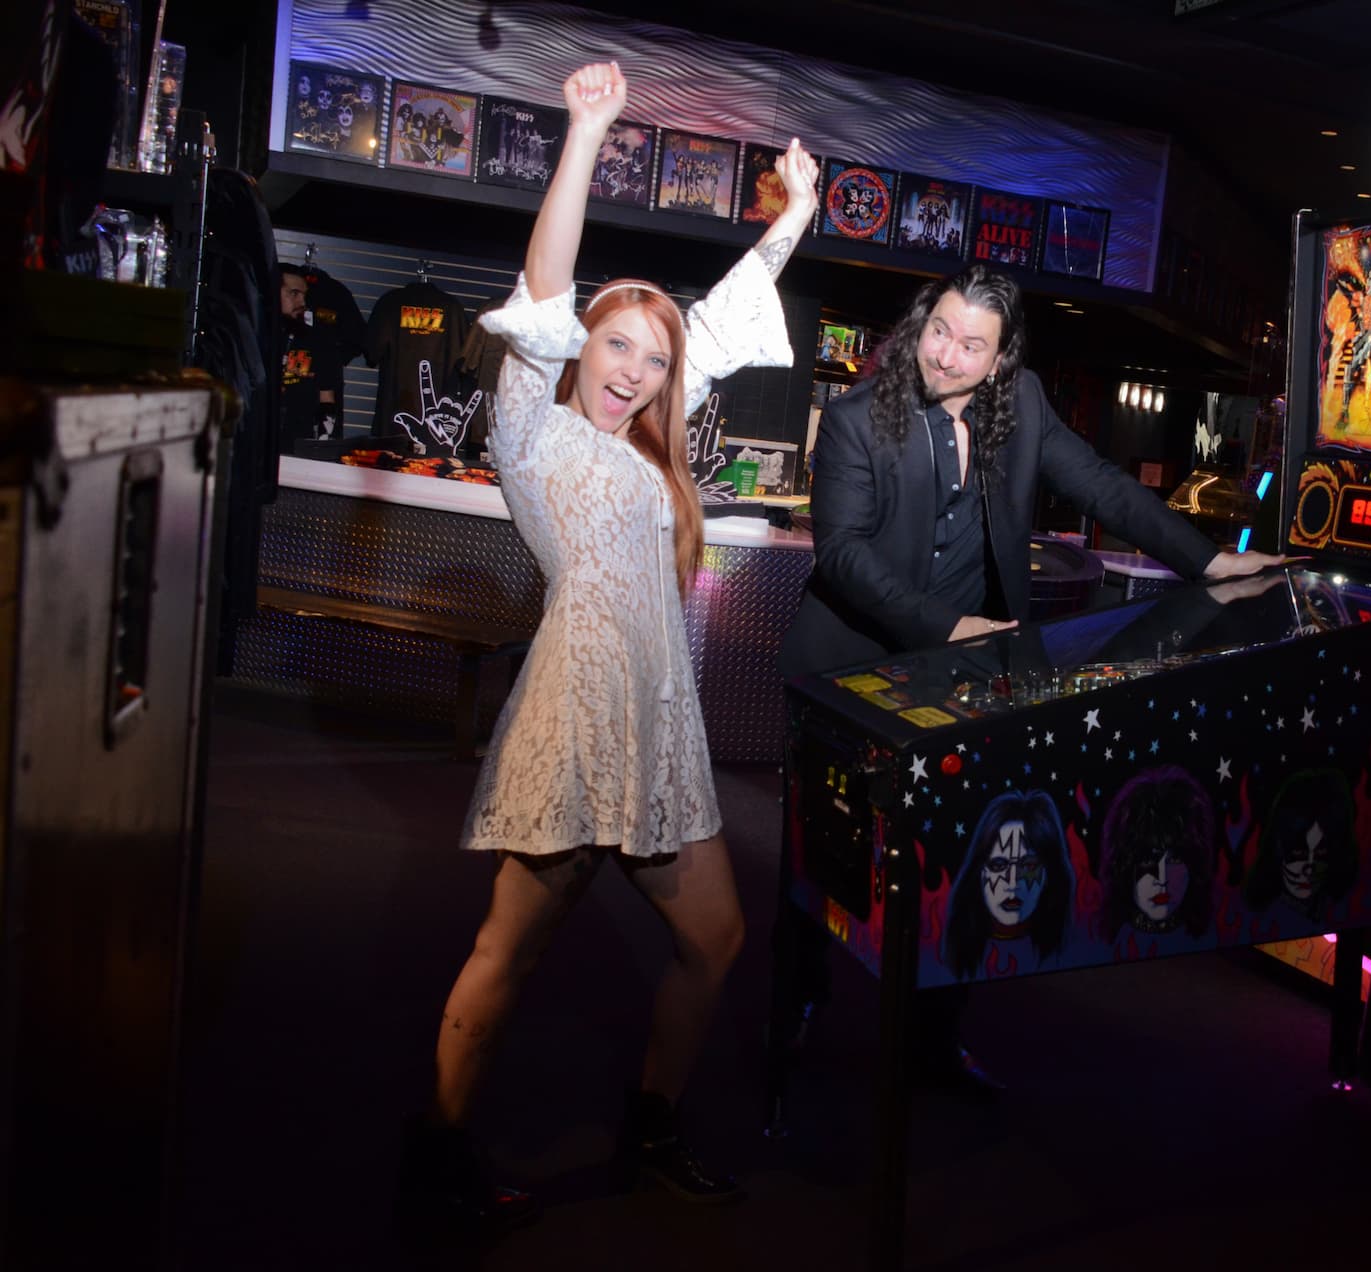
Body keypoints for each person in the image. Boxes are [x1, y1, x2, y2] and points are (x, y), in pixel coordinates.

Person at [400, 61, 819, 1226]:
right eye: (616, 346)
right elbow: (544, 283)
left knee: (718, 940)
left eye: (650, 357)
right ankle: (435, 1151)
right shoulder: (533, 432)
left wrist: (795, 225)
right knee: (509, 950)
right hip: (576, 718)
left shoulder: (652, 455)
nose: (632, 370)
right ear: (577, 348)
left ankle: (652, 1121)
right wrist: (584, 132)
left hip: (662, 730)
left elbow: (724, 329)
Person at [775, 263, 1284, 1088]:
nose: (946, 356)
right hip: (848, 670)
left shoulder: (1028, 407)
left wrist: (1211, 558)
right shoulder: (858, 416)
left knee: (963, 859)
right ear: (921, 322)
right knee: (820, 856)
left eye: (972, 345)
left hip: (967, 680)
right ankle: (794, 1005)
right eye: (940, 331)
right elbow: (842, 554)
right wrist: (946, 625)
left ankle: (934, 1040)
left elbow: (1107, 489)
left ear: (1003, 358)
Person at [276, 263, 343, 443]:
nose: (302, 302)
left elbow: (326, 399)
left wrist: (322, 444)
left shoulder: (318, 340)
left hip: (299, 449)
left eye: (304, 295)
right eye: (294, 293)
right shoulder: (255, 337)